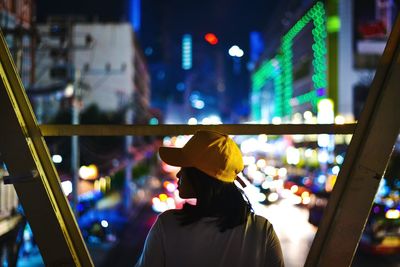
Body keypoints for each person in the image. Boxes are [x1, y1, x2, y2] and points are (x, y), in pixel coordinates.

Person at [135, 130, 284, 267]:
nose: (179, 175)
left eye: (184, 168)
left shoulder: (167, 225)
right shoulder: (262, 230)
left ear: (201, 177)